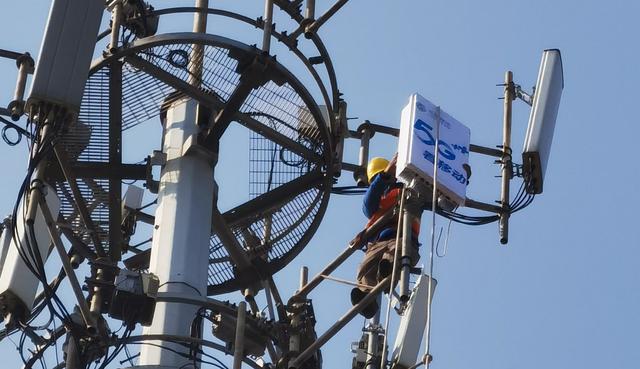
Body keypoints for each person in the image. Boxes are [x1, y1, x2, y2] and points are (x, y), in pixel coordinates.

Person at [350, 154, 421, 318]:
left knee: (394, 256)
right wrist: (383, 177)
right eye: (375, 180)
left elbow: (425, 198)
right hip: (378, 243)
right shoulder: (377, 198)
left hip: (403, 238)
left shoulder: (406, 191)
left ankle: (386, 273)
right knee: (364, 269)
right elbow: (368, 205)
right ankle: (367, 300)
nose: (378, 182)